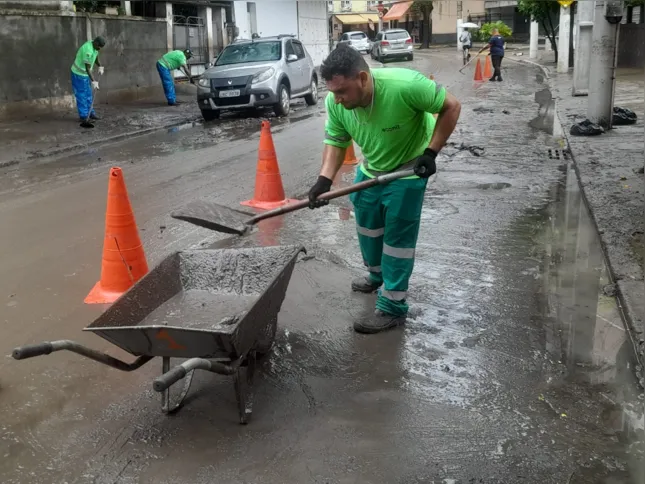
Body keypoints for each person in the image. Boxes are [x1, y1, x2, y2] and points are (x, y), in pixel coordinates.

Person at [307, 45, 461, 334]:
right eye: (333, 93)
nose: (337, 100)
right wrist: (324, 179)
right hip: (371, 168)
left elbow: (451, 106)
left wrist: (432, 152)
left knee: (397, 241)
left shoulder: (405, 85)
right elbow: (336, 140)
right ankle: (376, 275)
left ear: (363, 78)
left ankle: (392, 306)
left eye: (342, 92)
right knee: (368, 226)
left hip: (408, 169)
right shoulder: (335, 102)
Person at [71, 36, 105, 121]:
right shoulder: (88, 51)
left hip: (85, 75)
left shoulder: (94, 46)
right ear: (96, 43)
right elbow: (87, 68)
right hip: (78, 74)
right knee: (82, 95)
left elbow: (96, 56)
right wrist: (94, 81)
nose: (99, 49)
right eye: (99, 47)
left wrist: (100, 65)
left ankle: (91, 113)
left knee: (88, 94)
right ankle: (83, 116)